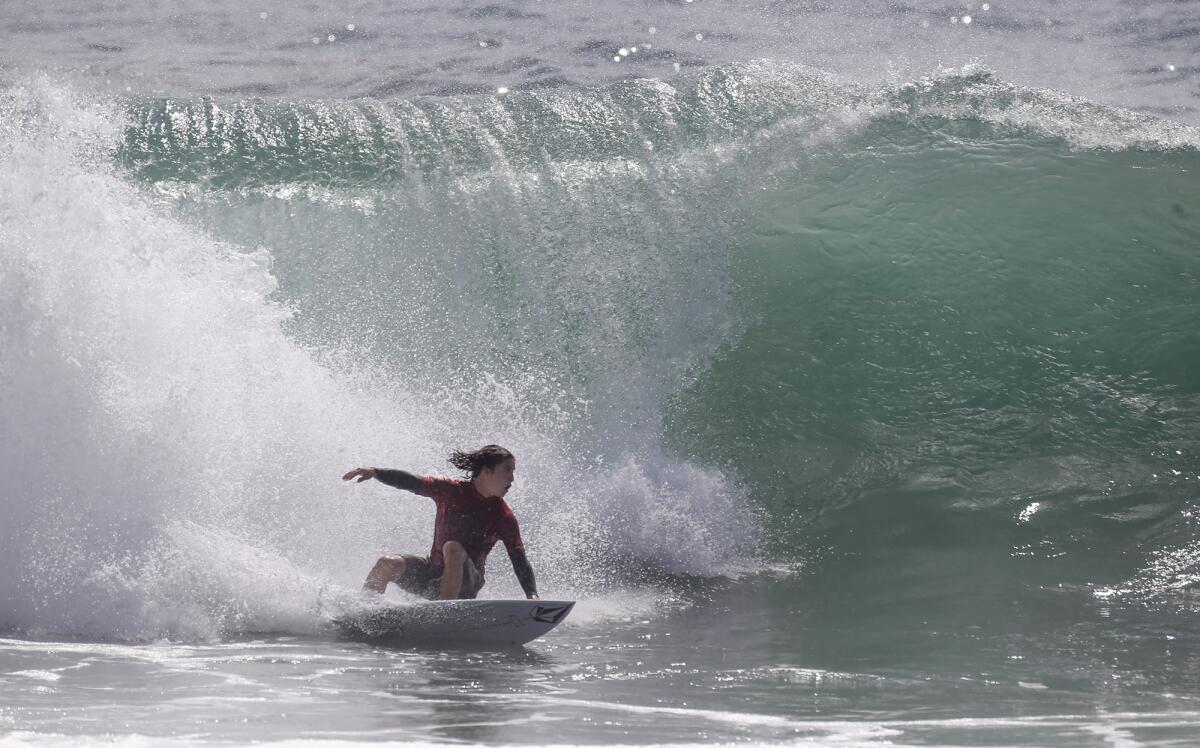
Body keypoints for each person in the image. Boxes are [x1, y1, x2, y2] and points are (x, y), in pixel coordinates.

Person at [342, 444, 539, 600]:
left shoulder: (503, 516)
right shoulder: (450, 491)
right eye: (507, 470)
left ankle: (444, 613)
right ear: (487, 471)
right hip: (433, 575)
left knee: (452, 547)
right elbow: (412, 482)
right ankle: (366, 613)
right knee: (387, 563)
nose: (512, 478)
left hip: (467, 585)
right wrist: (376, 472)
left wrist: (532, 594)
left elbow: (519, 559)